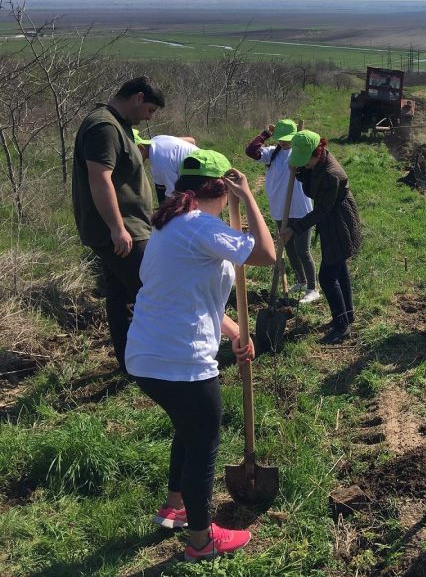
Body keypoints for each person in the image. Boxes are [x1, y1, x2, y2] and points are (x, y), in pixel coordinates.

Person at [125, 150, 276, 562]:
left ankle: (175, 506)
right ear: (221, 190)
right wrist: (248, 198)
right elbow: (266, 254)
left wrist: (233, 332)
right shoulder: (201, 227)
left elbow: (191, 296)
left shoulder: (170, 224)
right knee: (205, 441)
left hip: (146, 355)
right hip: (180, 361)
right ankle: (200, 540)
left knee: (187, 429)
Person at [71, 76, 165, 373]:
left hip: (127, 227)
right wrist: (117, 227)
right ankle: (157, 360)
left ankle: (130, 364)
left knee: (121, 296)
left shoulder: (118, 125)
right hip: (123, 231)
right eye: (150, 110)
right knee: (152, 291)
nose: (149, 117)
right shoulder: (104, 127)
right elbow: (100, 178)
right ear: (137, 97)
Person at [281, 131, 362, 344]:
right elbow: (311, 183)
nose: (304, 165)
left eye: (305, 162)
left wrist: (294, 228)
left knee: (327, 276)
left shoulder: (331, 174)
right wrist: (299, 171)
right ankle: (347, 315)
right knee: (339, 268)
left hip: (338, 222)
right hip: (331, 220)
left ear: (316, 153)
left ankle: (342, 326)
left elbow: (322, 210)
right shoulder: (318, 162)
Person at [246, 119, 320, 302]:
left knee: (303, 250)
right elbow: (250, 151)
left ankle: (313, 288)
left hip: (301, 209)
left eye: (287, 139)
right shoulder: (272, 154)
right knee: (289, 247)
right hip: (280, 208)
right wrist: (265, 134)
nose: (284, 142)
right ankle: (301, 281)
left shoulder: (300, 154)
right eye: (280, 138)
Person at [133, 130, 198, 204]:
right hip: (196, 164)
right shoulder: (157, 139)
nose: (132, 160)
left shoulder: (161, 164)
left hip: (200, 177)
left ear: (141, 148)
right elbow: (191, 140)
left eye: (132, 155)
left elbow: (174, 194)